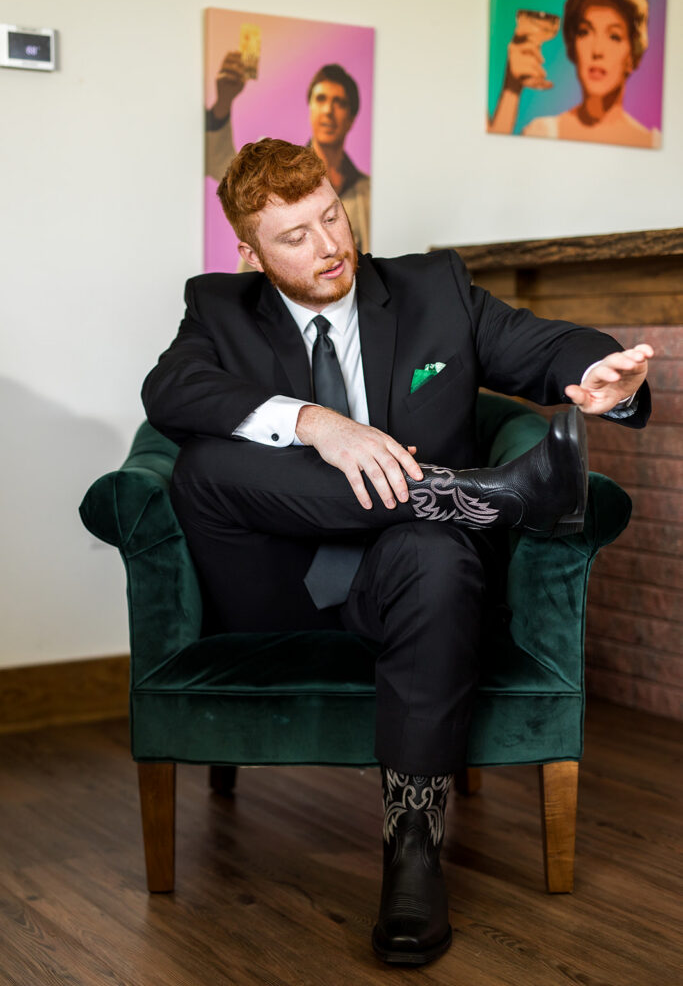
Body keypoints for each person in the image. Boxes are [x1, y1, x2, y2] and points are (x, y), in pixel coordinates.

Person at [142, 138, 652, 966]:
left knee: (439, 553)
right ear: (249, 252)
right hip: (278, 583)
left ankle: (413, 847)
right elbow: (169, 392)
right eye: (295, 237)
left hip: (408, 578)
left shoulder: (431, 289)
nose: (329, 246)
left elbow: (543, 344)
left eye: (331, 217)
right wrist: (318, 424)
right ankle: (478, 495)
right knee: (203, 460)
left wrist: (605, 374)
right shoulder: (217, 307)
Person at [206, 57, 370, 251]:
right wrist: (223, 103)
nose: (328, 111)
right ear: (310, 108)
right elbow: (222, 166)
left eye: (339, 103)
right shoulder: (274, 177)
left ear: (351, 119)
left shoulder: (366, 192)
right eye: (321, 99)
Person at [488, 0, 659, 147]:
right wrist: (511, 90)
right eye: (585, 32)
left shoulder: (653, 142)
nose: (597, 50)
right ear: (573, 44)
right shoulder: (541, 132)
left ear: (632, 55)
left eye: (614, 36)